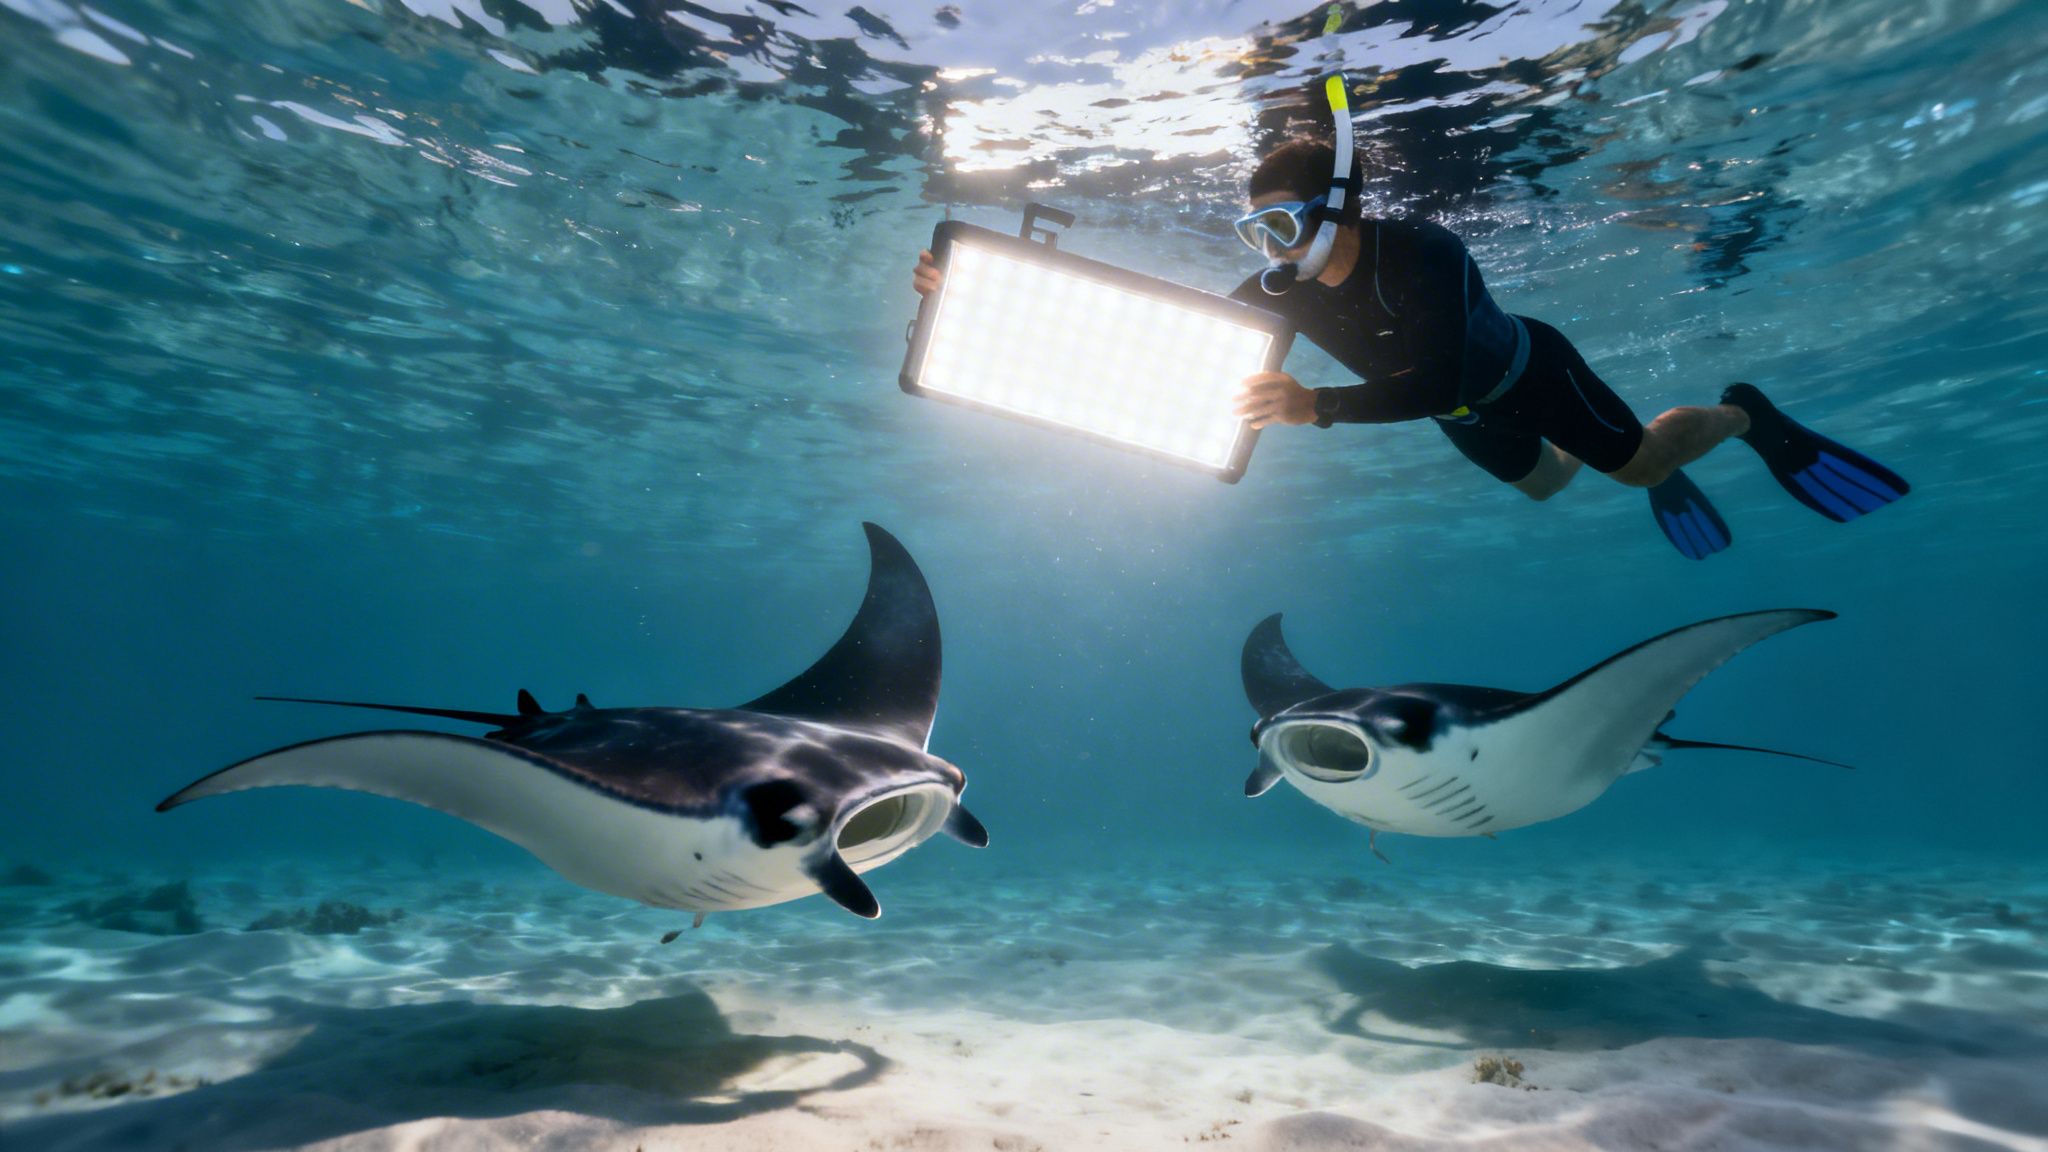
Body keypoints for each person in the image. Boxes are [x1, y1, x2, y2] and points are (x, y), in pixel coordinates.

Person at [911, 139, 1909, 555]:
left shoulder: (1420, 252)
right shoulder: (1279, 291)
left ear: (1337, 207)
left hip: (1529, 373)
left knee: (1637, 465)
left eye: (1286, 226)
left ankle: (1738, 413)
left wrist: (1315, 407)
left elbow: (1428, 374)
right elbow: (1169, 329)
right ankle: (1622, 448)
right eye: (1257, 237)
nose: (1273, 255)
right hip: (1457, 415)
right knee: (1544, 487)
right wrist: (974, 291)